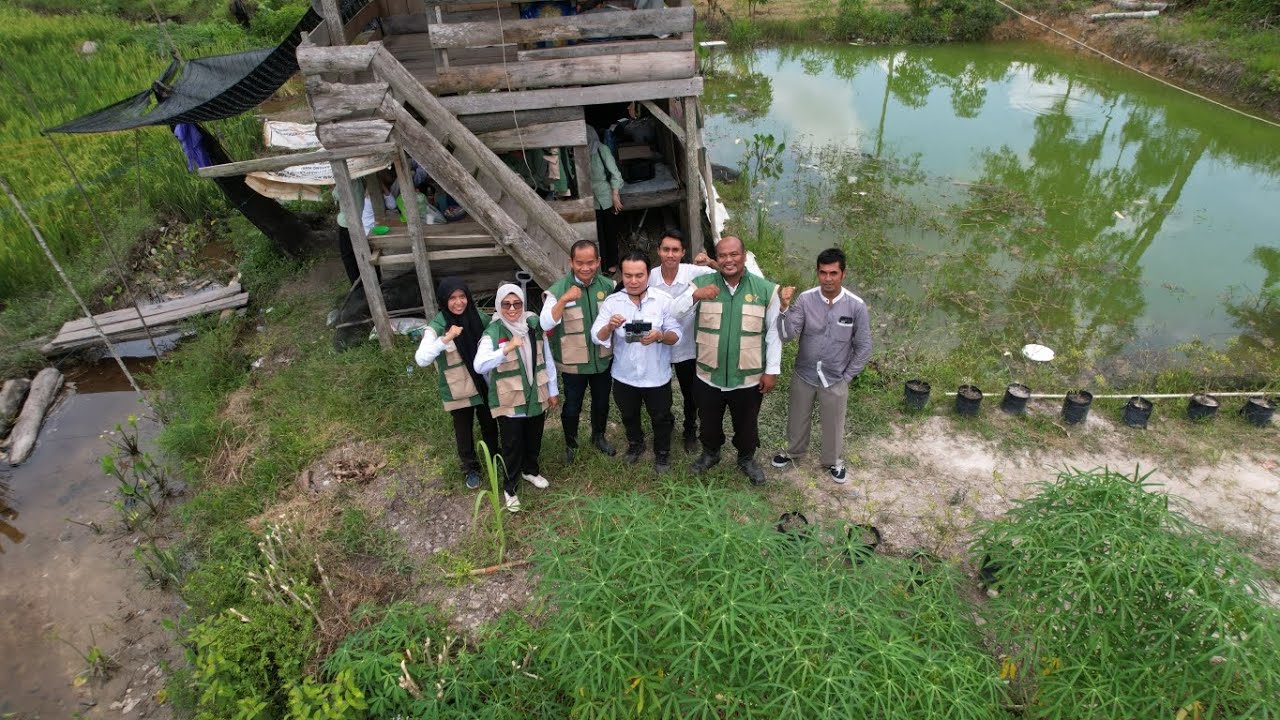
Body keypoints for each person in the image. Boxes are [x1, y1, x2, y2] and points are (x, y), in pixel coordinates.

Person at [650, 229, 765, 453]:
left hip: (689, 348)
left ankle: (690, 430)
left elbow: (733, 270)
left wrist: (711, 260)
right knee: (659, 391)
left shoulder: (694, 272)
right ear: (658, 251)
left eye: (675, 250)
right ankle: (663, 425)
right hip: (658, 345)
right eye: (666, 249)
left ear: (683, 252)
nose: (670, 255)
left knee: (690, 394)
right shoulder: (650, 276)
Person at [684, 236, 782, 485]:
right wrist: (694, 296)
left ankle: (746, 458)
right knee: (708, 422)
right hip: (708, 373)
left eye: (734, 254)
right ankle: (711, 453)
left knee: (747, 425)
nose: (728, 260)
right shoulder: (700, 284)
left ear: (744, 255)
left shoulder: (766, 290)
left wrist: (771, 370)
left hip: (747, 377)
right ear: (716, 258)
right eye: (723, 255)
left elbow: (774, 333)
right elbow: (675, 312)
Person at [771, 248, 873, 482]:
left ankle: (833, 461)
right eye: (823, 273)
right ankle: (793, 451)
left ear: (843, 274)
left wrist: (847, 376)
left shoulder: (856, 306)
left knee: (834, 423)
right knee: (797, 417)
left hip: (836, 377)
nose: (827, 279)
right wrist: (784, 308)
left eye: (833, 273)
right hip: (804, 373)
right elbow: (788, 336)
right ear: (817, 273)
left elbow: (864, 346)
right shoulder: (806, 299)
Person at [591, 251, 682, 473]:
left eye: (639, 275)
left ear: (648, 275)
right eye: (628, 275)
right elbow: (596, 336)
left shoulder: (663, 301)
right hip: (625, 375)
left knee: (660, 417)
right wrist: (609, 327)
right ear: (621, 274)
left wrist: (660, 335)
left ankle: (662, 454)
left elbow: (676, 334)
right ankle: (635, 444)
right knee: (629, 415)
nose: (633, 281)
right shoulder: (613, 302)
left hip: (656, 375)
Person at [474, 284, 560, 512]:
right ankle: (509, 488)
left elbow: (547, 358)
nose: (512, 309)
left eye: (517, 304)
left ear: (523, 304)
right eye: (506, 304)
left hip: (537, 393)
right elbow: (479, 364)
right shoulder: (493, 333)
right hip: (511, 399)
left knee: (534, 436)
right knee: (512, 444)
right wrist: (505, 349)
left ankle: (530, 470)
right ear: (499, 306)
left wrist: (553, 390)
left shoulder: (532, 327)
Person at [415, 278, 501, 490]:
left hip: (483, 384)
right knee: (463, 430)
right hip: (457, 389)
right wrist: (445, 339)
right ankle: (470, 468)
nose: (459, 302)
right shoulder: (436, 326)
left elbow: (497, 337)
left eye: (462, 296)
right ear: (444, 300)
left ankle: (495, 457)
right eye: (452, 298)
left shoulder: (479, 317)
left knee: (490, 423)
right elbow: (421, 359)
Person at [540, 240, 618, 463]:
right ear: (571, 263)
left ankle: (598, 436)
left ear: (598, 262)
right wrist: (564, 299)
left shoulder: (608, 287)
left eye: (591, 263)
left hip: (602, 360)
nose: (586, 268)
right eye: (580, 263)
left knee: (601, 401)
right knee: (573, 404)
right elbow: (546, 323)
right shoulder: (557, 290)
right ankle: (571, 444)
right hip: (573, 363)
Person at [585, 126, 625, 272]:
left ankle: (612, 264)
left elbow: (615, 174)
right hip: (588, 199)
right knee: (597, 235)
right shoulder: (577, 152)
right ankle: (600, 265)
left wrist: (615, 196)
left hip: (605, 197)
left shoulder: (602, 150)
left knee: (609, 232)